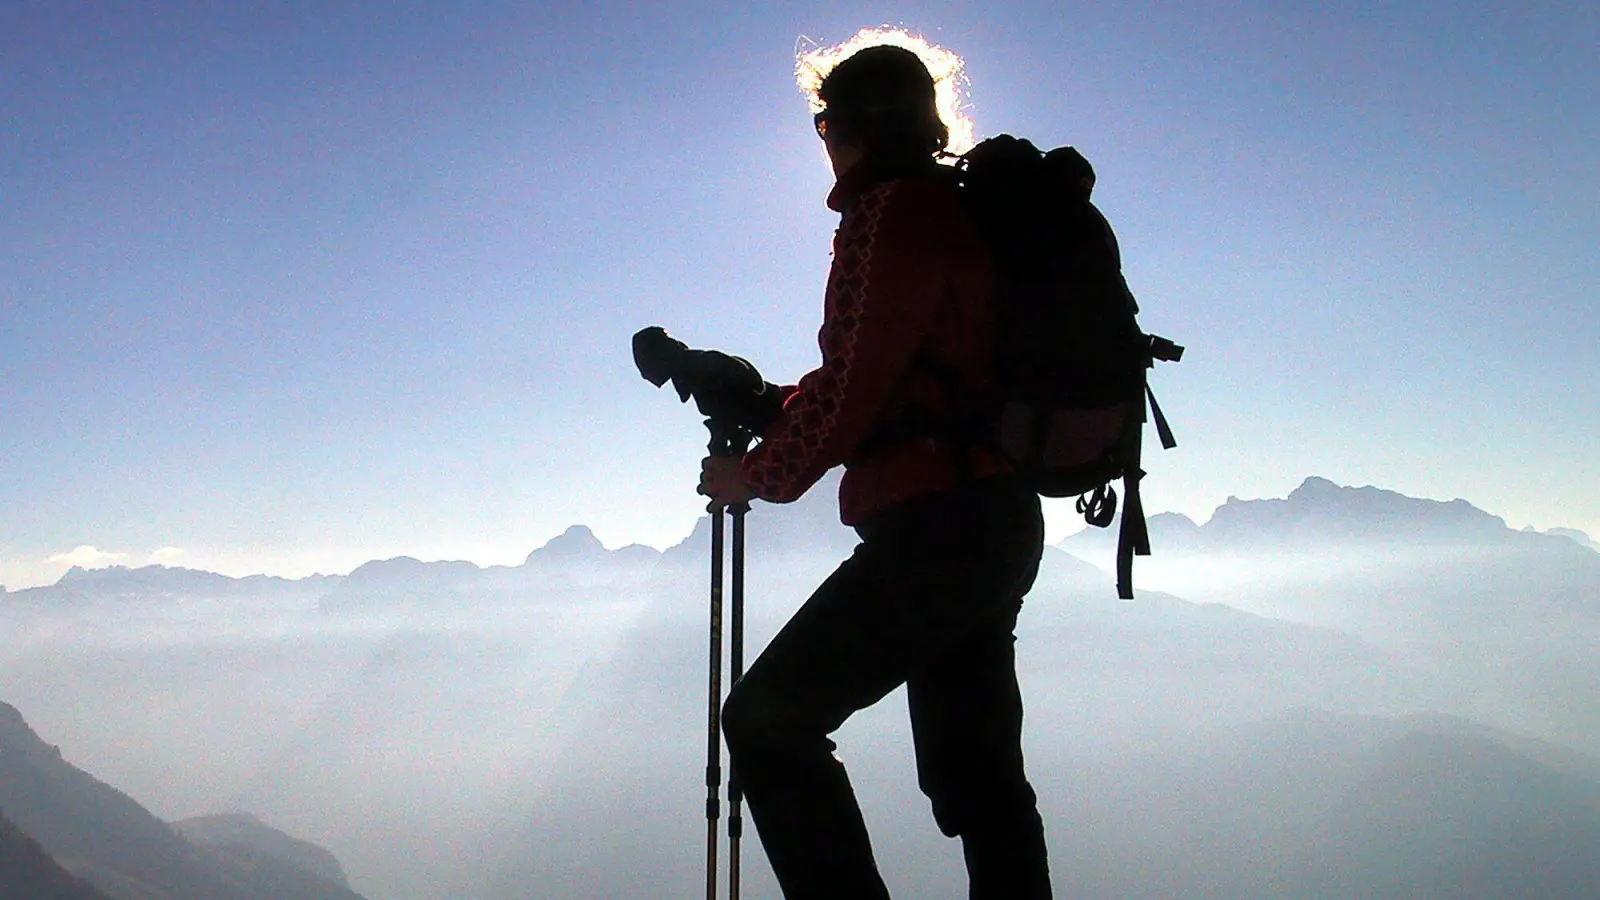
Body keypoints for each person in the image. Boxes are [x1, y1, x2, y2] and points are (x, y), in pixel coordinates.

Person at [696, 41, 1053, 900]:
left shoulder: (888, 215)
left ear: (854, 127)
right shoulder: (952, 209)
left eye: (824, 122)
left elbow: (854, 387)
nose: (821, 140)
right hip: (991, 516)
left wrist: (754, 475)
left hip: (936, 529)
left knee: (768, 722)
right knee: (979, 780)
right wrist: (768, 400)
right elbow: (897, 382)